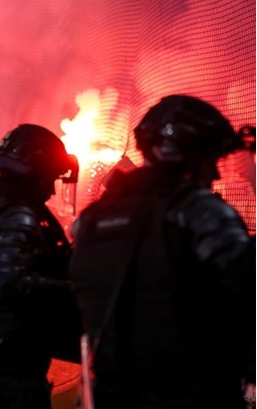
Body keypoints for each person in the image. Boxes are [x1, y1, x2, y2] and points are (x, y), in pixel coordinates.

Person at [68, 94, 255, 409]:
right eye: (210, 158)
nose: (215, 174)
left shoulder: (93, 220)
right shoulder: (198, 211)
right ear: (191, 156)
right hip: (195, 395)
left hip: (112, 393)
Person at [0, 124, 82, 409]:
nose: (51, 188)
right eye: (51, 177)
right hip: (10, 361)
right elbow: (9, 283)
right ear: (38, 171)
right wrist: (76, 289)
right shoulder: (17, 214)